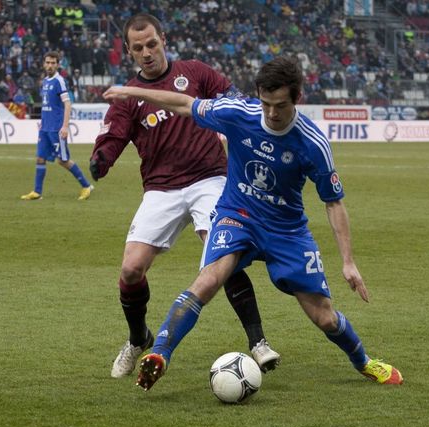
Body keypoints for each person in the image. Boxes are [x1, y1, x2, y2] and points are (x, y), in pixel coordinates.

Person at [102, 56, 404, 390]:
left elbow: (333, 202)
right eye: (265, 104)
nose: (272, 114)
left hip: (286, 230)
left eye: (281, 106)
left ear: (297, 98)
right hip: (238, 215)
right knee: (209, 279)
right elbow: (186, 104)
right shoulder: (239, 114)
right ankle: (159, 354)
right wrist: (134, 90)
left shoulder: (313, 144)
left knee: (324, 316)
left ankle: (364, 362)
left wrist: (348, 262)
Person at [88, 13, 280, 379]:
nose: (147, 52)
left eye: (152, 44)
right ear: (130, 52)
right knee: (130, 270)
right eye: (139, 48)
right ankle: (136, 338)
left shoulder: (195, 73)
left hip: (209, 179)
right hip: (160, 189)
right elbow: (111, 138)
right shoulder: (130, 97)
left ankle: (258, 343)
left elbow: (234, 99)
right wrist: (101, 159)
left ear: (163, 39)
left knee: (224, 252)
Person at [21, 51, 93, 201]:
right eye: (47, 62)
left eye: (53, 63)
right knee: (40, 158)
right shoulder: (45, 81)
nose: (49, 65)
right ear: (43, 64)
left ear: (57, 64)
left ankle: (86, 186)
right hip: (45, 128)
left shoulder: (59, 81)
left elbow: (67, 104)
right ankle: (37, 192)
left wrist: (65, 126)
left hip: (56, 129)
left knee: (63, 160)